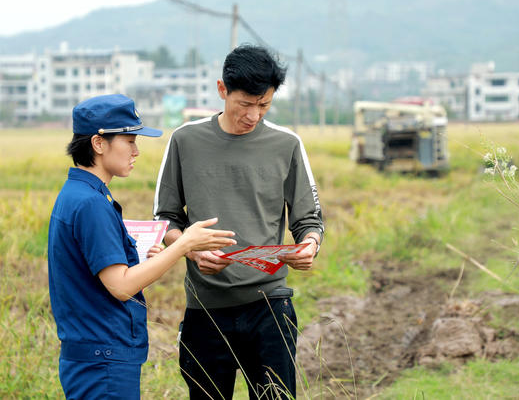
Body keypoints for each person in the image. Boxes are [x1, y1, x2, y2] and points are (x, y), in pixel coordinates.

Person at [153, 44, 324, 399]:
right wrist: (190, 251)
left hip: (271, 307)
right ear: (222, 90)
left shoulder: (286, 144)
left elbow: (309, 219)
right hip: (206, 308)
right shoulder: (186, 140)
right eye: (245, 104)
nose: (254, 115)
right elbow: (165, 218)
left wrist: (310, 245)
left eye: (264, 105)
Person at [47, 94, 237, 399]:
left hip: (95, 354)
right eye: (129, 140)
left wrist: (141, 260)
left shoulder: (79, 194)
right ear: (98, 144)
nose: (136, 151)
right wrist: (184, 243)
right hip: (103, 360)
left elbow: (104, 275)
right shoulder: (91, 204)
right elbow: (121, 287)